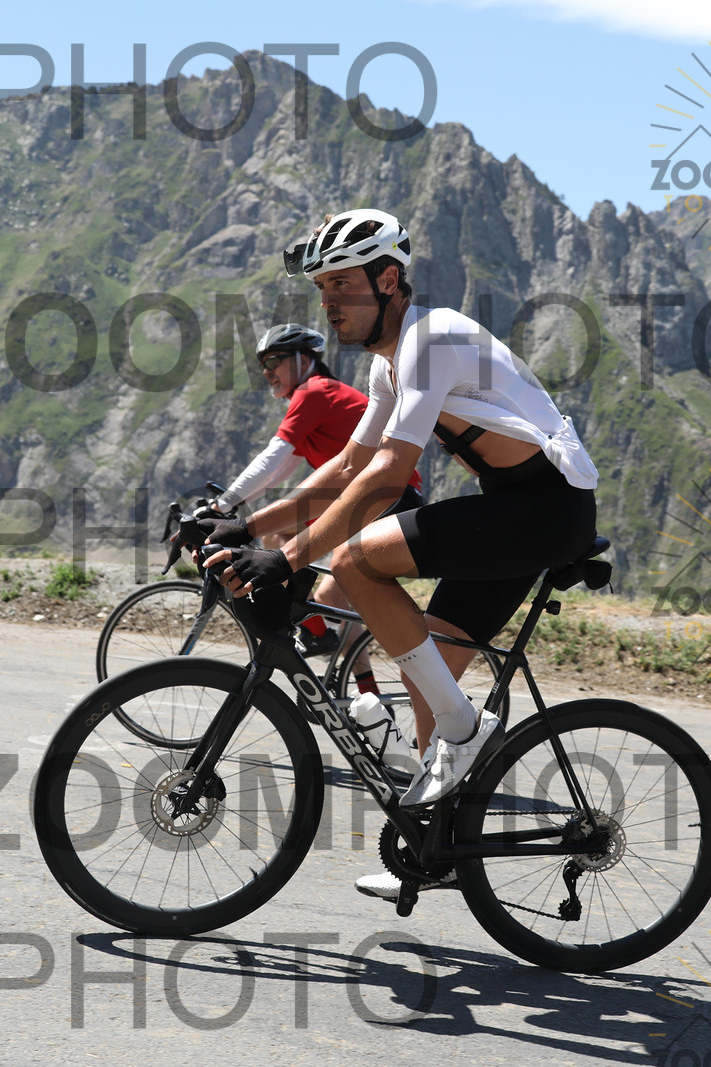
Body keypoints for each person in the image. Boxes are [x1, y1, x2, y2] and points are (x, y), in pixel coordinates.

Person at [200, 208, 599, 901]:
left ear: (388, 280)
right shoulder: (389, 364)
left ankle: (465, 731)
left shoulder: (431, 341)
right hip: (519, 509)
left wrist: (288, 560)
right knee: (426, 670)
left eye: (342, 285)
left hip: (543, 510)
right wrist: (248, 524)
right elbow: (349, 465)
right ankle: (438, 844)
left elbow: (388, 475)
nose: (329, 303)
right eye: (321, 289)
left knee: (355, 561)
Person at [207, 323, 423, 665]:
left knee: (329, 594)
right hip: (359, 498)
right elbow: (283, 468)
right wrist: (233, 505)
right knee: (279, 535)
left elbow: (273, 457)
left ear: (303, 360)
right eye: (262, 365)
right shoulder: (313, 398)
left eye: (274, 361)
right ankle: (358, 679)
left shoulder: (315, 391)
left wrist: (223, 506)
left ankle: (319, 634)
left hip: (388, 498)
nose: (266, 371)